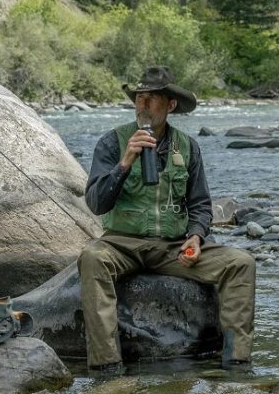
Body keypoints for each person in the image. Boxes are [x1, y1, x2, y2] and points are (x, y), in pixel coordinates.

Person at [78, 65, 256, 373]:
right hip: (122, 245)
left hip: (173, 248)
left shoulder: (188, 147)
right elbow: (96, 203)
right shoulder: (112, 142)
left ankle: (237, 365)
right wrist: (125, 162)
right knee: (92, 258)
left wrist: (196, 237)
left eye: (151, 99)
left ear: (170, 105)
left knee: (241, 263)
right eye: (139, 98)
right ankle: (107, 369)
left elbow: (200, 205)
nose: (143, 106)